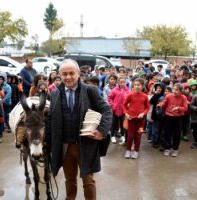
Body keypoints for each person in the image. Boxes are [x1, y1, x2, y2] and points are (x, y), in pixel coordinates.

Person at [45, 59, 112, 200]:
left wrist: (102, 130)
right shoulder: (55, 93)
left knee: (88, 181)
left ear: (78, 74)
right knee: (69, 180)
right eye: (64, 74)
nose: (68, 77)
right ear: (59, 75)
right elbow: (51, 120)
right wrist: (48, 143)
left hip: (85, 145)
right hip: (65, 147)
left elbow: (106, 110)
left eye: (71, 73)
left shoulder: (90, 90)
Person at [123, 78, 150, 159]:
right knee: (130, 135)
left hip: (141, 121)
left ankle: (136, 150)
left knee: (138, 135)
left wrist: (143, 113)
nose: (136, 86)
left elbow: (147, 107)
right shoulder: (130, 95)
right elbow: (124, 105)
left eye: (138, 85)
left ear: (142, 86)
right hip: (131, 120)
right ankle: (128, 150)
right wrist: (126, 114)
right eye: (135, 85)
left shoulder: (145, 96)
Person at [159, 83, 188, 157]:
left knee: (177, 134)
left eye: (177, 90)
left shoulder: (183, 97)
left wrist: (178, 108)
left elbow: (185, 108)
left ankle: (175, 149)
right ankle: (167, 148)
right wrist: (161, 104)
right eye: (174, 89)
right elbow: (164, 104)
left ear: (181, 91)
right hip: (168, 117)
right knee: (167, 133)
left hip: (178, 118)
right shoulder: (169, 96)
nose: (174, 91)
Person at [108, 77, 129, 144]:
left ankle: (122, 135)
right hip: (115, 110)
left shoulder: (127, 90)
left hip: (123, 111)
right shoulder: (114, 90)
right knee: (114, 124)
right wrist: (112, 105)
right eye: (121, 82)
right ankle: (112, 135)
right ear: (118, 83)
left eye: (124, 82)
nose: (122, 84)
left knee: (123, 124)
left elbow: (129, 100)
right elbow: (110, 98)